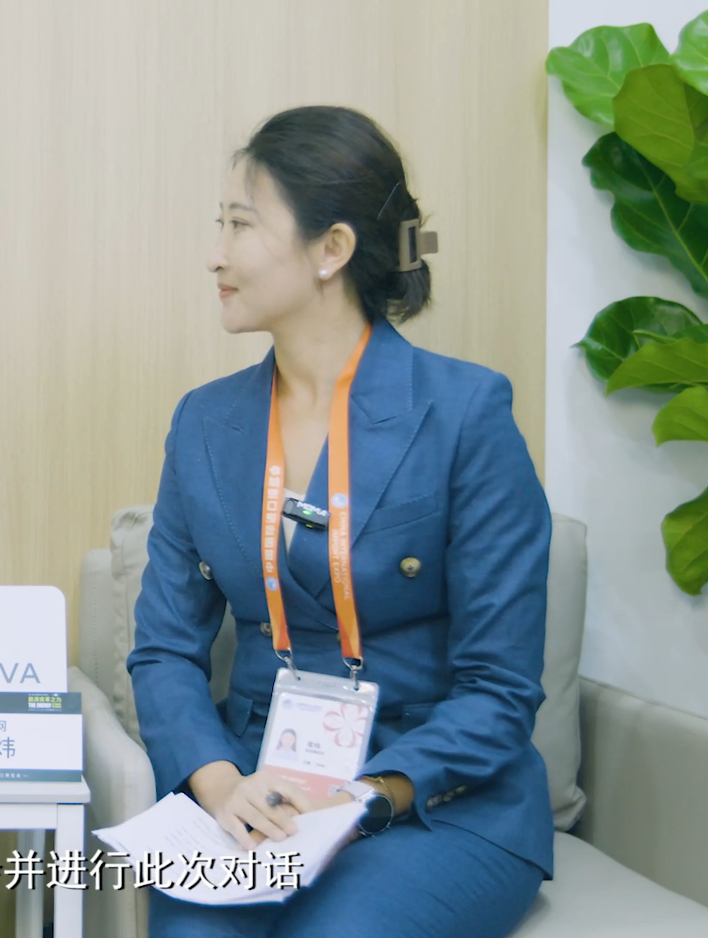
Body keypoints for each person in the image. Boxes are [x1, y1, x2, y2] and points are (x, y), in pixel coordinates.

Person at [125, 106, 552, 938]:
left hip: (433, 801)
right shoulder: (204, 423)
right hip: (260, 793)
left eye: (240, 225)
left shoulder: (464, 412)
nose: (214, 254)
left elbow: (500, 687)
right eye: (218, 224)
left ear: (331, 249)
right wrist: (219, 783)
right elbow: (165, 648)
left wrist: (366, 795)